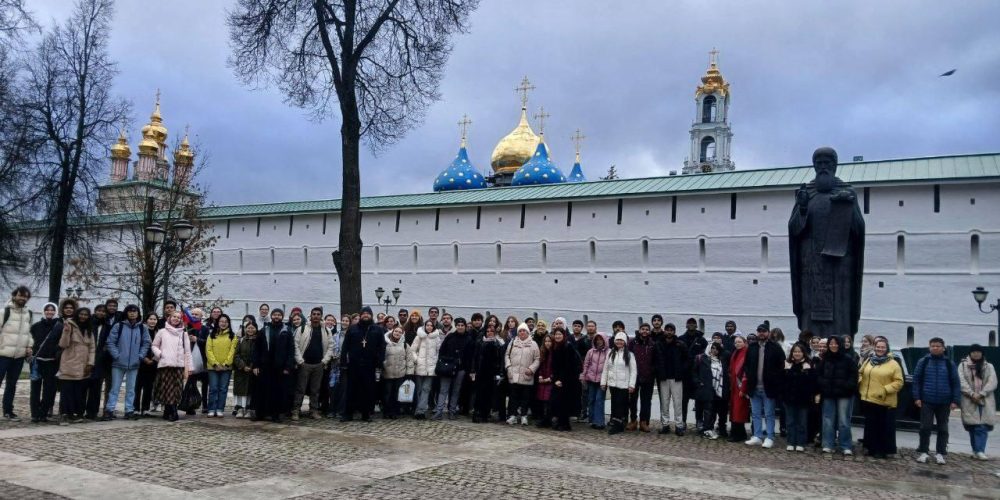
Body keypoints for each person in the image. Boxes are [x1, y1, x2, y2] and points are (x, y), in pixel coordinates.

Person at [912, 337, 961, 464]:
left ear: (943, 348)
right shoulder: (923, 362)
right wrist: (917, 397)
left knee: (943, 428)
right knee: (925, 427)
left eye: (938, 346)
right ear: (929, 347)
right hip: (927, 400)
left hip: (944, 401)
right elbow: (916, 380)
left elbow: (956, 383)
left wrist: (955, 400)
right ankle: (923, 451)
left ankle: (940, 452)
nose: (935, 348)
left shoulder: (949, 364)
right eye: (932, 346)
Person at [858, 337, 904, 459]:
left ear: (886, 348)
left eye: (882, 347)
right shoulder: (869, 360)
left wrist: (885, 390)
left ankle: (881, 450)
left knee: (882, 426)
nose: (880, 349)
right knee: (870, 425)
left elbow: (899, 382)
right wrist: (860, 382)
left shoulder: (893, 363)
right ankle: (871, 448)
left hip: (884, 400)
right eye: (878, 347)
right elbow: (861, 372)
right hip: (869, 398)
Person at [103, 304, 151, 420]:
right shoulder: (118, 326)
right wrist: (117, 355)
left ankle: (129, 410)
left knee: (131, 389)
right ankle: (109, 410)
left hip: (134, 364)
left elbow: (146, 343)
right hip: (118, 363)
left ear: (138, 314)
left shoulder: (142, 328)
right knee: (114, 388)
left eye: (135, 311)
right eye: (130, 311)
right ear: (126, 313)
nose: (132, 313)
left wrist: (140, 356)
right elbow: (110, 342)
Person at [341, 306, 386, 422]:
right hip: (354, 365)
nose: (366, 315)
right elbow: (345, 346)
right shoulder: (353, 329)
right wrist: (343, 362)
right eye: (364, 313)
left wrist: (379, 362)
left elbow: (382, 347)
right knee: (351, 389)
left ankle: (365, 414)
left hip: (370, 365)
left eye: (368, 313)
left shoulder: (377, 329)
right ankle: (348, 414)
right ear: (360, 316)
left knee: (368, 390)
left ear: (371, 315)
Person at [743, 324, 784, 448]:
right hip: (754, 386)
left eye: (764, 331)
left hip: (769, 387)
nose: (761, 333)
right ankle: (757, 435)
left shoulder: (775, 347)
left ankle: (770, 437)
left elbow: (781, 365)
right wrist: (750, 376)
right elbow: (747, 364)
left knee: (769, 413)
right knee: (755, 413)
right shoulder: (752, 347)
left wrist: (774, 378)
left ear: (768, 332)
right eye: (759, 331)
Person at [254, 309, 296, 422]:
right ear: (271, 316)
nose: (276, 317)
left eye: (279, 315)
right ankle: (260, 414)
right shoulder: (264, 330)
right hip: (265, 365)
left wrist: (288, 366)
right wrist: (256, 365)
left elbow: (291, 350)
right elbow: (257, 349)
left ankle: (276, 415)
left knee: (278, 392)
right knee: (263, 391)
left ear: (282, 317)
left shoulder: (287, 331)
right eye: (274, 314)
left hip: (280, 367)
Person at [292, 307, 333, 420]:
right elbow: (295, 345)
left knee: (316, 390)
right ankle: (295, 410)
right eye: (314, 314)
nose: (316, 316)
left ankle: (314, 410)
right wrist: (300, 361)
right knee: (300, 388)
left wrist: (324, 361)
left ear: (321, 316)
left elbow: (331, 346)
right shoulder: (302, 329)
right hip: (304, 364)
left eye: (318, 314)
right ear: (310, 316)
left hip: (319, 365)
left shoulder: (326, 331)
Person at [817, 335, 856, 455]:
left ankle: (845, 445)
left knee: (844, 421)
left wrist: (846, 386)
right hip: (829, 393)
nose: (833, 346)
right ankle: (828, 444)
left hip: (844, 394)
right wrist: (824, 384)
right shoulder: (825, 359)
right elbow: (819, 374)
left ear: (840, 344)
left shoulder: (848, 359)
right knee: (828, 419)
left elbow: (854, 376)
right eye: (831, 344)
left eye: (835, 343)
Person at [152, 311, 193, 422]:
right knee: (167, 388)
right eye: (174, 317)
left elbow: (188, 351)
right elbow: (154, 345)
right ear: (169, 318)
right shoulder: (162, 331)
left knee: (177, 388)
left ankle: (169, 410)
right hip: (166, 364)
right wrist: (160, 354)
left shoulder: (183, 334)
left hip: (179, 365)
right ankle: (173, 411)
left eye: (178, 318)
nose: (176, 319)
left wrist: (189, 367)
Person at [58, 307, 95, 424]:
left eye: (86, 315)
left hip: (82, 364)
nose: (83, 316)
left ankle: (74, 413)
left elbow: (93, 348)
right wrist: (66, 331)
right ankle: (64, 414)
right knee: (66, 391)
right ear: (77, 315)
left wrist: (90, 363)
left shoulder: (89, 330)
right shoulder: (70, 326)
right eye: (81, 314)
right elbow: (63, 344)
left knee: (78, 392)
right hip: (69, 362)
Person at [1, 286, 34, 421]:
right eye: (20, 295)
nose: (22, 298)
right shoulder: (4, 312)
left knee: (12, 384)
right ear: (14, 296)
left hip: (18, 356)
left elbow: (28, 333)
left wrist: (29, 346)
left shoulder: (29, 314)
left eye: (25, 296)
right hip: (2, 354)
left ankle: (8, 411)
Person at [959, 344, 996, 460]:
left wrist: (981, 393)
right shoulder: (963, 365)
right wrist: (971, 393)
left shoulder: (989, 366)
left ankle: (980, 450)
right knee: (973, 426)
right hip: (969, 399)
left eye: (978, 352)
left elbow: (992, 381)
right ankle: (975, 450)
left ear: (982, 353)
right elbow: (961, 381)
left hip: (985, 399)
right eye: (974, 352)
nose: (976, 354)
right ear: (970, 353)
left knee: (982, 426)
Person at [652, 322, 686, 435]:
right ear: (664, 331)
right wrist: (657, 370)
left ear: (674, 332)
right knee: (664, 402)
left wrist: (682, 370)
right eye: (667, 330)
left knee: (677, 403)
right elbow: (654, 359)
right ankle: (665, 424)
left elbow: (687, 359)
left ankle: (679, 425)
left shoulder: (680, 344)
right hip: (663, 378)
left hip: (677, 378)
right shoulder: (658, 344)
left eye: (671, 330)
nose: (669, 332)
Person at [436, 317, 473, 420]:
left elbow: (470, 356)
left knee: (456, 391)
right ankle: (439, 411)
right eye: (458, 325)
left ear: (465, 326)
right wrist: (444, 361)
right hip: (447, 367)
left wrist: (467, 368)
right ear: (456, 326)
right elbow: (442, 350)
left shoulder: (469, 339)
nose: (460, 327)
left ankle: (452, 411)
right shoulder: (450, 336)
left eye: (462, 325)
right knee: (443, 390)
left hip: (461, 368)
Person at [782, 343, 817, 451]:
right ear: (792, 353)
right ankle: (791, 441)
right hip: (789, 398)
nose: (797, 353)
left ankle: (801, 443)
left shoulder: (808, 365)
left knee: (802, 422)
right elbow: (782, 381)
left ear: (803, 353)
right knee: (790, 422)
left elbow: (812, 382)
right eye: (795, 351)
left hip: (803, 399)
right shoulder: (787, 364)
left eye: (799, 352)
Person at [601, 332, 636, 435]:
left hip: (624, 384)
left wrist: (631, 385)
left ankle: (618, 425)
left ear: (625, 342)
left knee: (620, 405)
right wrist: (603, 382)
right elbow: (606, 368)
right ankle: (616, 422)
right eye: (617, 340)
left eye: (621, 340)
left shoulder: (629, 355)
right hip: (612, 383)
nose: (619, 342)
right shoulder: (610, 353)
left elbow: (633, 371)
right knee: (614, 404)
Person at [29, 302, 59, 423]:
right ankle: (35, 413)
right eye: (47, 310)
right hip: (37, 361)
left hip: (52, 362)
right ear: (44, 311)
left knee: (49, 389)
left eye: (52, 310)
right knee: (35, 389)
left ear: (55, 311)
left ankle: (44, 412)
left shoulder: (59, 326)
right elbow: (30, 341)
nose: (50, 312)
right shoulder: (36, 326)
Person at [505, 323, 539, 425]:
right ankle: (513, 415)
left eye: (524, 331)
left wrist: (531, 369)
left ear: (528, 332)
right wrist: (508, 367)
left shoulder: (533, 344)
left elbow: (537, 359)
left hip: (526, 375)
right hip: (514, 374)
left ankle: (524, 416)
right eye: (520, 331)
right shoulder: (512, 343)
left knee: (525, 397)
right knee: (513, 396)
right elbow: (507, 355)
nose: (522, 332)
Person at [470, 323, 504, 423]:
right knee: (479, 394)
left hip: (491, 372)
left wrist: (500, 372)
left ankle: (485, 414)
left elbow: (500, 359)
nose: (489, 333)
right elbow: (475, 357)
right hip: (480, 371)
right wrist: (473, 370)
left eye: (491, 332)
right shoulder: (480, 342)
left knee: (489, 394)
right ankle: (477, 413)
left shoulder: (498, 343)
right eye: (488, 331)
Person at [409, 319, 442, 420]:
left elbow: (438, 351)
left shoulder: (436, 338)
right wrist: (417, 359)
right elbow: (412, 350)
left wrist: (436, 361)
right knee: (418, 389)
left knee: (426, 389)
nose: (429, 327)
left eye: (431, 325)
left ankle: (421, 411)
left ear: (433, 327)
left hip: (431, 368)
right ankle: (417, 410)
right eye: (427, 325)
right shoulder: (419, 336)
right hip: (420, 366)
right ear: (424, 326)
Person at [694, 342, 728, 439]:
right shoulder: (701, 358)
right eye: (712, 348)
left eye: (716, 349)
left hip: (717, 388)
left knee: (713, 410)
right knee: (707, 409)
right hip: (705, 387)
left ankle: (710, 427)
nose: (714, 350)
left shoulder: (720, 360)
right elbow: (694, 372)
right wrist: (698, 382)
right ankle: (706, 429)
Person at [206, 314, 237, 417]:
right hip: (213, 367)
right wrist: (215, 364)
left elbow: (232, 351)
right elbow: (208, 350)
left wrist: (225, 364)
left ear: (228, 323)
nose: (223, 323)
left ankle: (220, 408)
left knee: (223, 389)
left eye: (226, 322)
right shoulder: (211, 335)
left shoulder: (233, 336)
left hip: (226, 367)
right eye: (221, 321)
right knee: (213, 388)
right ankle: (211, 408)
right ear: (218, 322)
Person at [549, 328, 580, 431]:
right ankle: (560, 421)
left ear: (564, 335)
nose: (557, 336)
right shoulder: (555, 347)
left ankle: (564, 424)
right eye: (556, 334)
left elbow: (568, 366)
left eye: (559, 334)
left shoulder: (567, 346)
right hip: (558, 379)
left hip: (566, 380)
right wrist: (555, 378)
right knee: (557, 401)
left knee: (564, 402)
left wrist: (561, 380)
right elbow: (555, 365)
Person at [679, 318, 707, 431]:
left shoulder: (702, 340)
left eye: (693, 324)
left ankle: (699, 421)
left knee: (699, 399)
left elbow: (705, 356)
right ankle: (683, 421)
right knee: (683, 399)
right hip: (685, 374)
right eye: (689, 323)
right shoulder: (680, 339)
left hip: (698, 373)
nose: (691, 325)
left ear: (696, 326)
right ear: (686, 325)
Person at [627, 323, 656, 432]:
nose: (644, 331)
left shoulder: (653, 344)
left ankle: (644, 421)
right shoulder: (632, 343)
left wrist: (651, 371)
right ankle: (633, 420)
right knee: (633, 400)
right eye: (642, 329)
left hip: (648, 376)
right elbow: (627, 357)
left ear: (649, 331)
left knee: (646, 400)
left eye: (647, 329)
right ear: (639, 330)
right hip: (634, 376)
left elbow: (655, 359)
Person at [581, 333, 608, 429]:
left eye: (601, 339)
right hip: (591, 379)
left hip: (602, 380)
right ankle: (592, 420)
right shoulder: (591, 352)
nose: (599, 341)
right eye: (597, 339)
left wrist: (606, 380)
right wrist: (584, 376)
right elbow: (586, 364)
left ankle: (599, 422)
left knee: (599, 400)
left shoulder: (608, 352)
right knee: (591, 399)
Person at [134, 313, 159, 417]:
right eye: (150, 319)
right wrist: (144, 358)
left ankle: (146, 408)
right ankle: (135, 408)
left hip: (153, 362)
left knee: (149, 387)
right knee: (138, 386)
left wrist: (154, 359)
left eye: (154, 319)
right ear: (146, 320)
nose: (152, 321)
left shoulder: (159, 332)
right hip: (141, 361)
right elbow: (136, 345)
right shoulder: (140, 330)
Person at [727, 334, 750, 442]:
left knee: (739, 411)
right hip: (734, 386)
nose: (737, 344)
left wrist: (743, 388)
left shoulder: (746, 353)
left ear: (744, 342)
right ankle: (739, 433)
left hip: (741, 386)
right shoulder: (735, 353)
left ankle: (737, 434)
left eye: (739, 342)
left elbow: (746, 372)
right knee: (734, 410)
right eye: (736, 342)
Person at [382, 327, 409, 419]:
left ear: (402, 334)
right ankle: (386, 411)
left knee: (397, 394)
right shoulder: (385, 343)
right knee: (387, 394)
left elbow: (409, 359)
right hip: (387, 372)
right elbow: (381, 357)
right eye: (396, 331)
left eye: (400, 332)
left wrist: (408, 372)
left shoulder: (405, 345)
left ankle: (394, 412)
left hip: (400, 373)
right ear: (392, 332)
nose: (397, 333)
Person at [232, 320, 257, 418]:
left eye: (252, 328)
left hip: (253, 370)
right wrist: (243, 366)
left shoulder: (258, 340)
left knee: (250, 391)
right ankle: (240, 409)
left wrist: (252, 366)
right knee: (240, 391)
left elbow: (258, 355)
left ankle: (249, 409)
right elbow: (236, 355)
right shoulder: (241, 340)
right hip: (241, 370)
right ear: (245, 329)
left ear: (256, 329)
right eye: (248, 328)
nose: (250, 330)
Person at [325, 314, 346, 418]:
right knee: (333, 389)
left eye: (347, 321)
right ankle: (332, 409)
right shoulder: (336, 335)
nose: (345, 322)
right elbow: (331, 346)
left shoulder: (351, 334)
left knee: (342, 390)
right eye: (343, 320)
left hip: (346, 366)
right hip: (335, 366)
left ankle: (340, 410)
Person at [534, 334, 555, 428]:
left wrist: (550, 378)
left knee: (549, 401)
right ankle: (542, 418)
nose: (547, 343)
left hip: (551, 380)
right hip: (543, 380)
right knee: (541, 400)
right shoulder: (543, 352)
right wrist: (540, 376)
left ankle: (548, 419)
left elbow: (556, 369)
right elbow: (541, 367)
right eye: (546, 341)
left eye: (549, 341)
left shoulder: (555, 353)